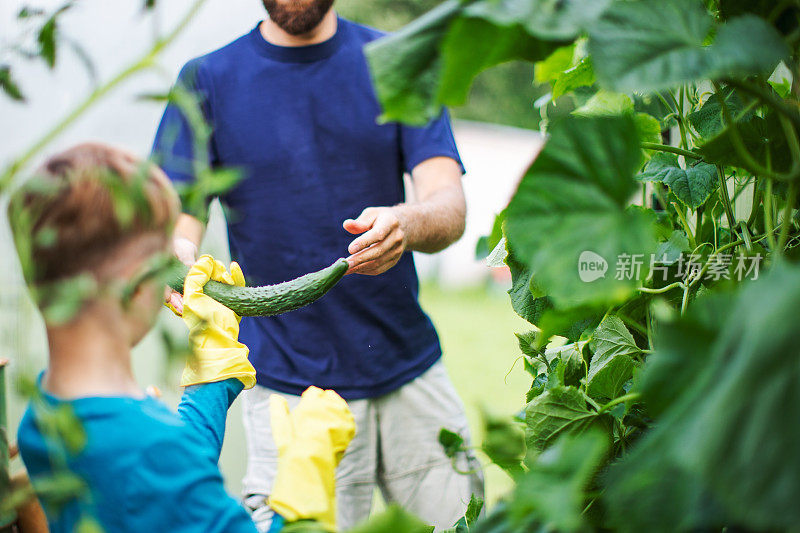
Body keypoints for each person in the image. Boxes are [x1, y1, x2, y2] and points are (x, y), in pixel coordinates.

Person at [152, 0, 484, 530]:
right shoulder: (207, 79)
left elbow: (449, 205)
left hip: (410, 372)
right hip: (285, 391)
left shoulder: (399, 58)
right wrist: (176, 259)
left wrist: (406, 222)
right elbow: (174, 220)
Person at [11, 143, 355, 533]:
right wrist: (306, 481)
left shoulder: (44, 418)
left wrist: (214, 378)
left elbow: (164, 485)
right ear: (136, 285)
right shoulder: (147, 451)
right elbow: (161, 466)